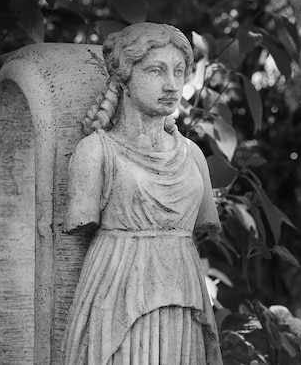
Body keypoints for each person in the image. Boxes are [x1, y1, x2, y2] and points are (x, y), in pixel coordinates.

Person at [62, 23, 223, 365]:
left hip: (183, 298)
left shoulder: (193, 155)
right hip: (119, 295)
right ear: (124, 77)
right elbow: (78, 225)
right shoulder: (96, 153)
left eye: (179, 72)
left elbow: (201, 229)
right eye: (156, 70)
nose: (172, 85)